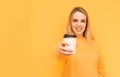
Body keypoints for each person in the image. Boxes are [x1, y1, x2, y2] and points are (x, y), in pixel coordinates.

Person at [56, 7, 106, 77]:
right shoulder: (66, 42)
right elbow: (59, 54)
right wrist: (59, 50)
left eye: (83, 21)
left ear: (86, 24)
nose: (79, 24)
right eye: (75, 20)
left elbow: (101, 69)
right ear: (70, 23)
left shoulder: (93, 43)